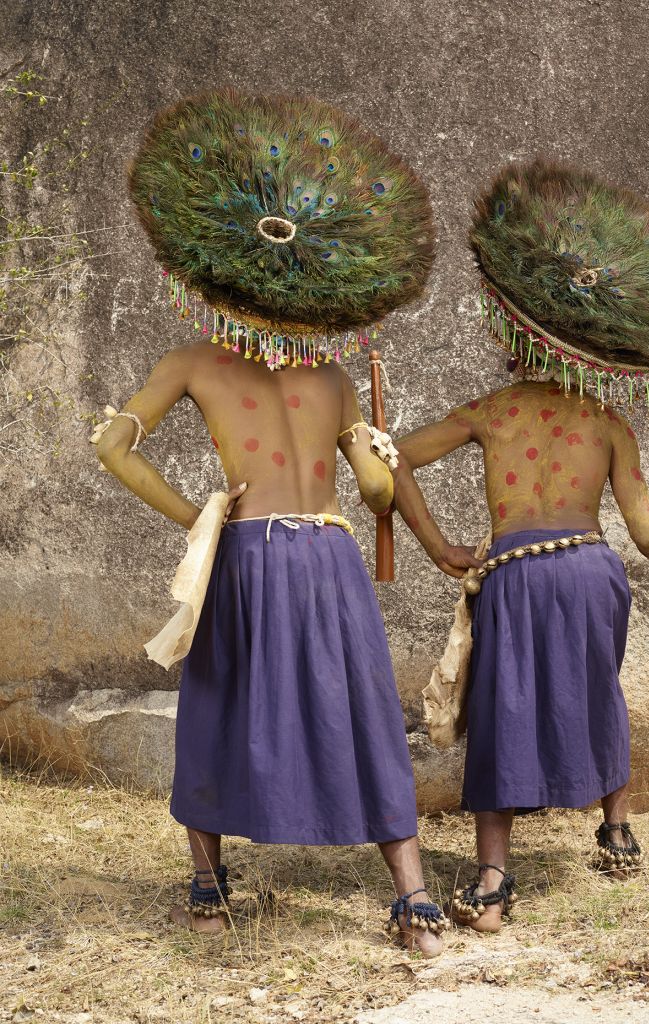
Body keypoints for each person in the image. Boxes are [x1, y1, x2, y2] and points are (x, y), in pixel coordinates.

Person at [94, 89, 448, 956]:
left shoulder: (190, 362)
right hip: (330, 554)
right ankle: (412, 900)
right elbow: (370, 497)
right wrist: (371, 450)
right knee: (361, 705)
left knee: (220, 701)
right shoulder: (333, 380)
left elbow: (112, 446)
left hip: (248, 551)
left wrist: (196, 519)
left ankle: (209, 885)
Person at [391, 159, 649, 933]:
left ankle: (491, 885)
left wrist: (437, 543)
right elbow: (644, 531)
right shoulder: (607, 422)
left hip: (514, 573)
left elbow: (389, 455)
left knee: (502, 708)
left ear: (517, 340)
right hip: (587, 569)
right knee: (595, 691)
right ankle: (615, 828)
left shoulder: (489, 410)